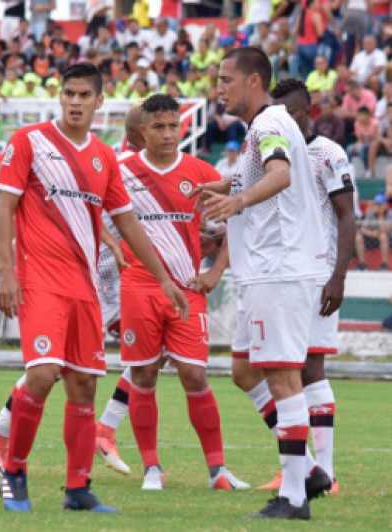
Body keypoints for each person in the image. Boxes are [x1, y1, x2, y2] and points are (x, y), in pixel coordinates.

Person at [0, 62, 186, 513]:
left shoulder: (102, 157)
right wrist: (6, 272)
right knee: (42, 374)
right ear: (60, 97)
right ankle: (15, 471)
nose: (75, 102)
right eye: (69, 93)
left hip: (85, 287)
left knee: (83, 387)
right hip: (39, 280)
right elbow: (4, 207)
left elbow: (127, 222)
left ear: (100, 102)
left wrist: (162, 278)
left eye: (84, 95)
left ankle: (78, 489)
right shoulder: (29, 142)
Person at [204, 78, 356, 496]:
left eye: (295, 114)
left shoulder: (324, 152)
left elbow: (345, 215)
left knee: (307, 369)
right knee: (246, 369)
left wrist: (338, 274)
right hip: (267, 270)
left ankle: (320, 473)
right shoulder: (266, 144)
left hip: (306, 270)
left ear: (308, 113)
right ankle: (305, 468)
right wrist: (225, 190)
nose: (287, 121)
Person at [113, 94, 250, 492]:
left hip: (188, 289)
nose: (169, 134)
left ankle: (218, 470)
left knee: (195, 374)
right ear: (142, 131)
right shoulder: (121, 172)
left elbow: (237, 221)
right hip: (139, 287)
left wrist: (216, 271)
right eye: (159, 126)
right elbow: (96, 218)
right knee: (144, 374)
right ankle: (152, 469)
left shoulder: (200, 171)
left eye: (174, 125)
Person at [355, 193, 392, 270]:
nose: (378, 206)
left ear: (385, 205)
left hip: (387, 239)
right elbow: (362, 228)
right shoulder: (370, 212)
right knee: (358, 237)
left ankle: (384, 264)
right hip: (372, 237)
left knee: (383, 236)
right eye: (376, 204)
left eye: (380, 204)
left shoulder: (390, 213)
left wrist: (380, 215)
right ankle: (362, 264)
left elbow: (385, 229)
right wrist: (372, 233)